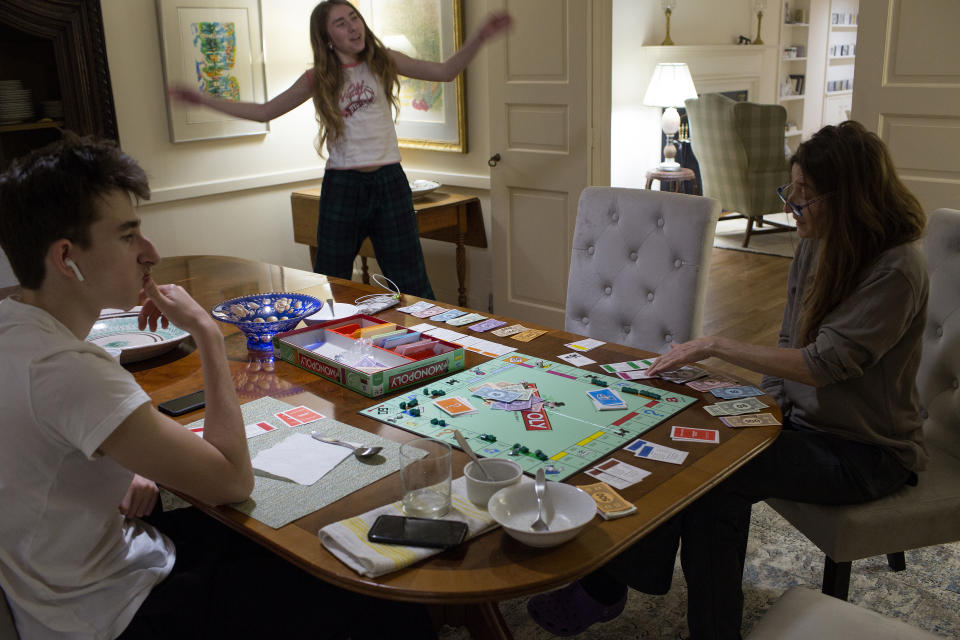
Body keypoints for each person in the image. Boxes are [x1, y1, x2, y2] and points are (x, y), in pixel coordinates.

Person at [0, 134, 434, 639]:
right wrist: (206, 333)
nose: (151, 252)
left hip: (70, 578)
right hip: (114, 613)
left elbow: (52, 445)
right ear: (65, 257)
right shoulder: (68, 370)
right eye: (127, 236)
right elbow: (232, 480)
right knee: (363, 586)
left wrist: (122, 463)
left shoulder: (15, 326)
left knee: (279, 537)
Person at [526, 121, 929, 639]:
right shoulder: (819, 238)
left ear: (848, 198)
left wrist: (715, 346)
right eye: (793, 190)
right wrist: (761, 411)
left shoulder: (896, 269)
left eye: (804, 196)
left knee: (716, 480)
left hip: (865, 451)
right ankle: (623, 588)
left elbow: (822, 363)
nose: (792, 206)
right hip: (803, 422)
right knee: (680, 432)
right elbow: (789, 341)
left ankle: (634, 598)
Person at [169, 0, 512, 300]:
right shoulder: (318, 77)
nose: (352, 27)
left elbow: (445, 72)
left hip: (390, 183)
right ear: (327, 37)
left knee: (410, 281)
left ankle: (428, 350)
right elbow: (265, 111)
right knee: (331, 280)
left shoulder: (384, 61)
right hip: (343, 187)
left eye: (354, 18)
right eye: (341, 23)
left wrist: (480, 36)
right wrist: (204, 101)